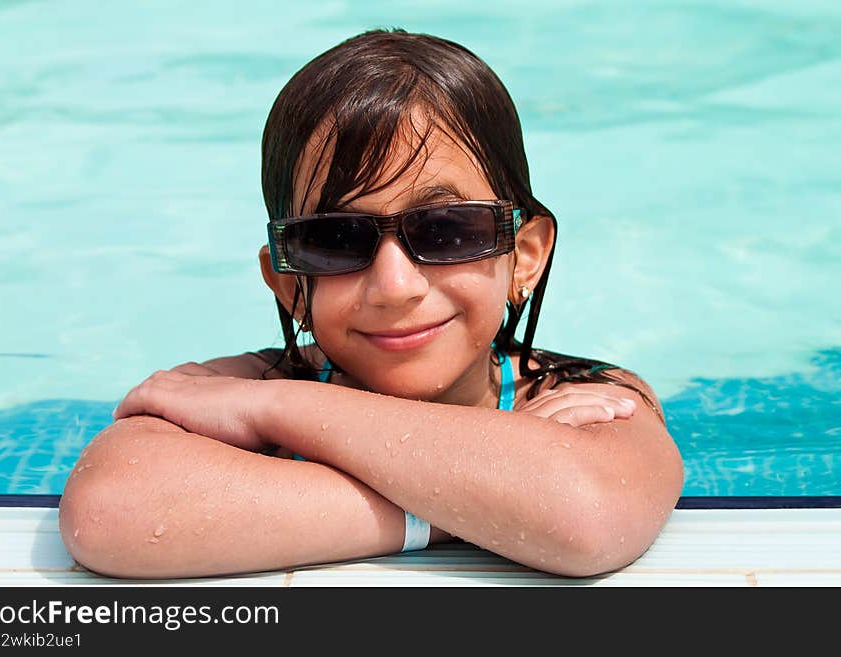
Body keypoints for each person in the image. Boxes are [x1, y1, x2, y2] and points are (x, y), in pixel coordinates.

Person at [58, 29, 683, 579]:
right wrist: (490, 497)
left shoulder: (579, 393)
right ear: (286, 283)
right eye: (335, 240)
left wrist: (278, 407)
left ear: (522, 255)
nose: (396, 286)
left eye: (447, 229)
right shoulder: (231, 384)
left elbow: (591, 515)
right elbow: (110, 513)